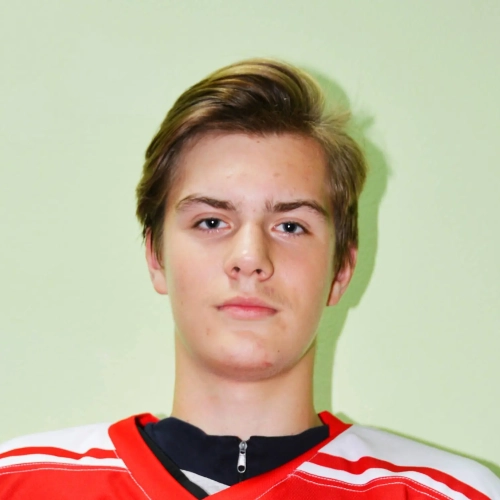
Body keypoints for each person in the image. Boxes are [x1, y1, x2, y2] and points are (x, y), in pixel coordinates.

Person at [0, 59, 499, 500]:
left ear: (340, 271)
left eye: (290, 226)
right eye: (211, 222)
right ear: (155, 256)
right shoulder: (19, 484)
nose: (250, 258)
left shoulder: (448, 495)